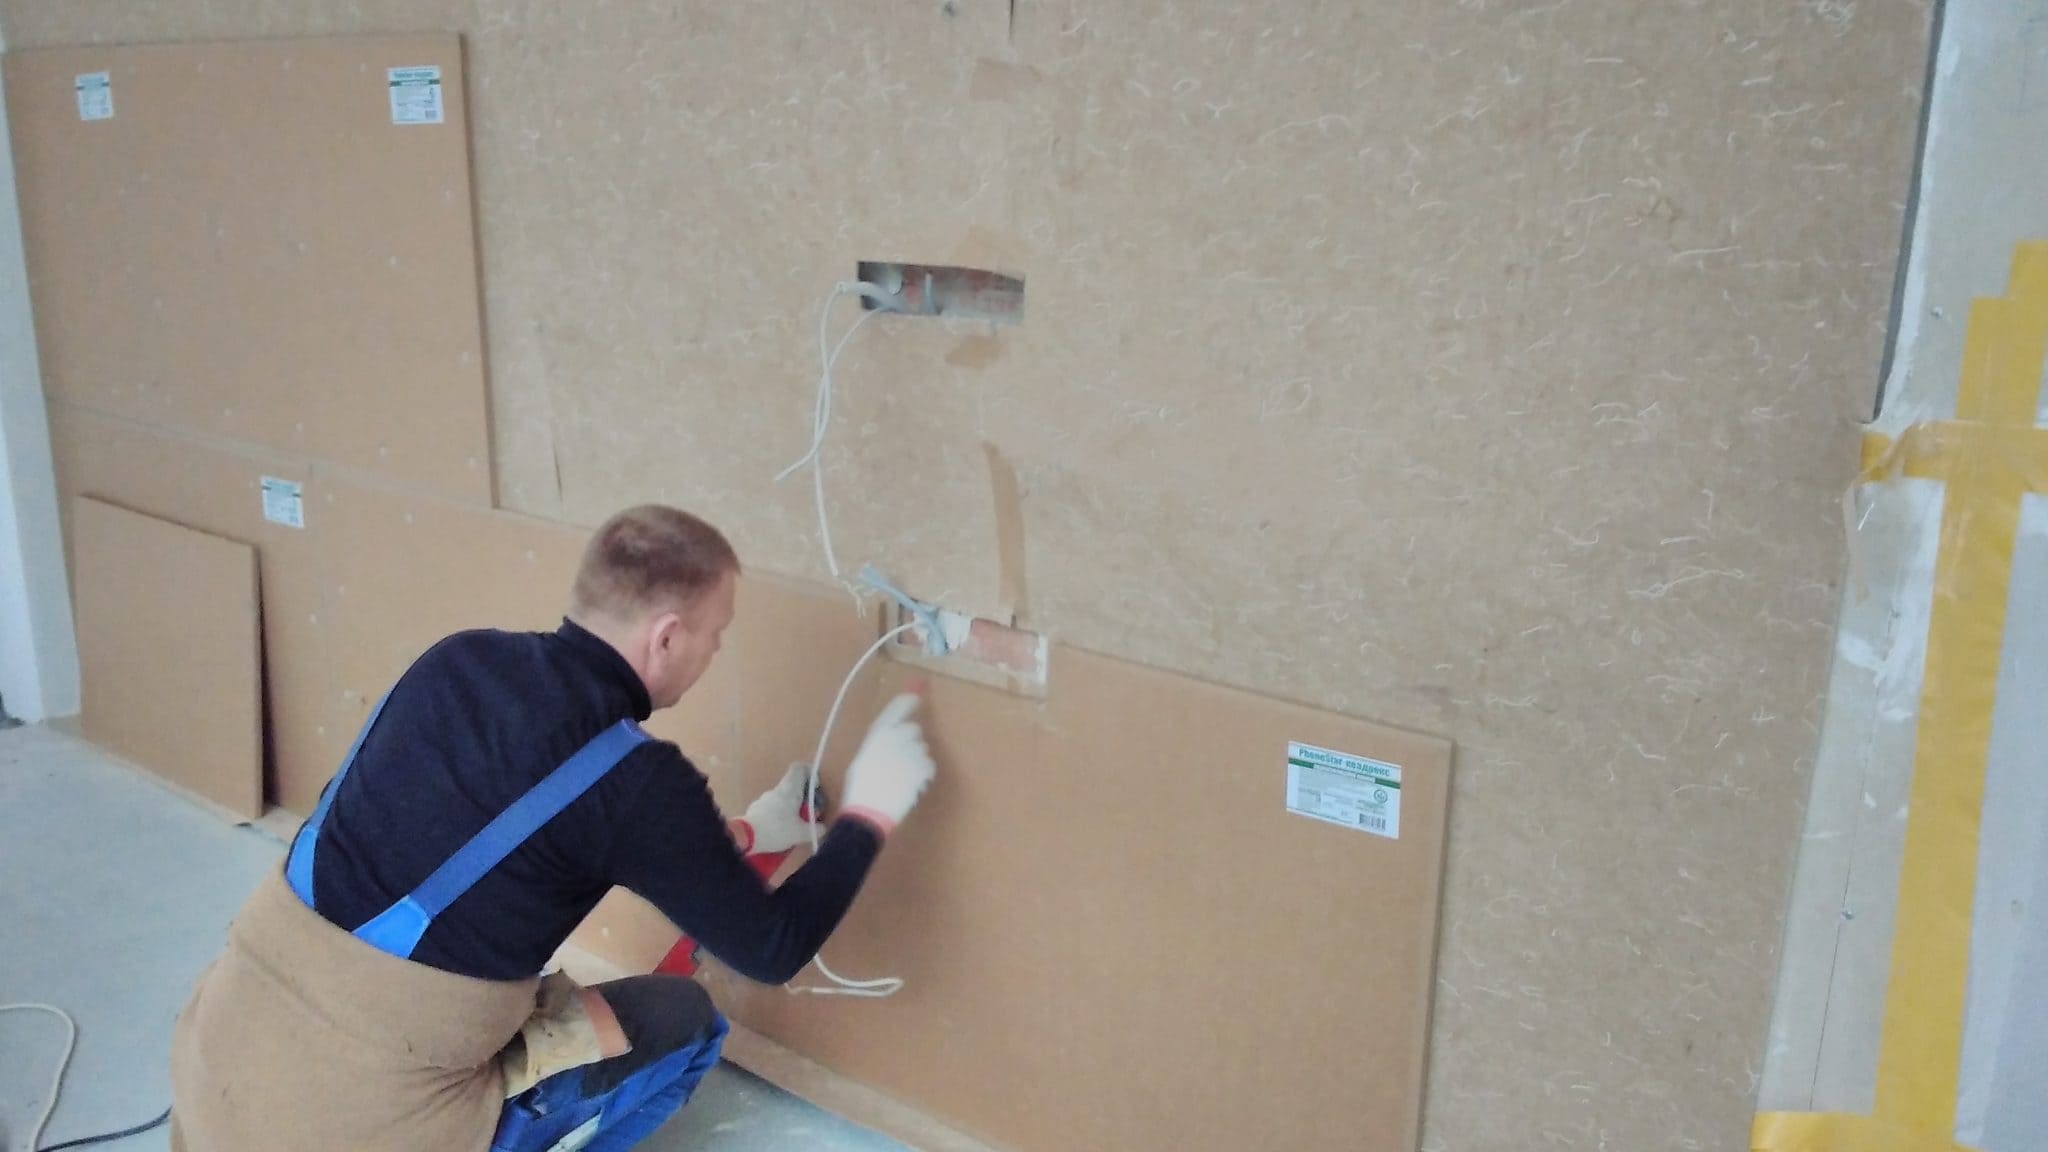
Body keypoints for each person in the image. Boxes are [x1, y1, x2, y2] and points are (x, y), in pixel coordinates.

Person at [167, 504, 936, 1152]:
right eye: (716, 633)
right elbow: (772, 949)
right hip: (365, 1127)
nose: (716, 650)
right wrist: (871, 810)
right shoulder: (636, 779)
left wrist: (748, 836)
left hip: (220, 1080)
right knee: (687, 1025)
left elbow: (496, 839)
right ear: (667, 636)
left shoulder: (456, 662)